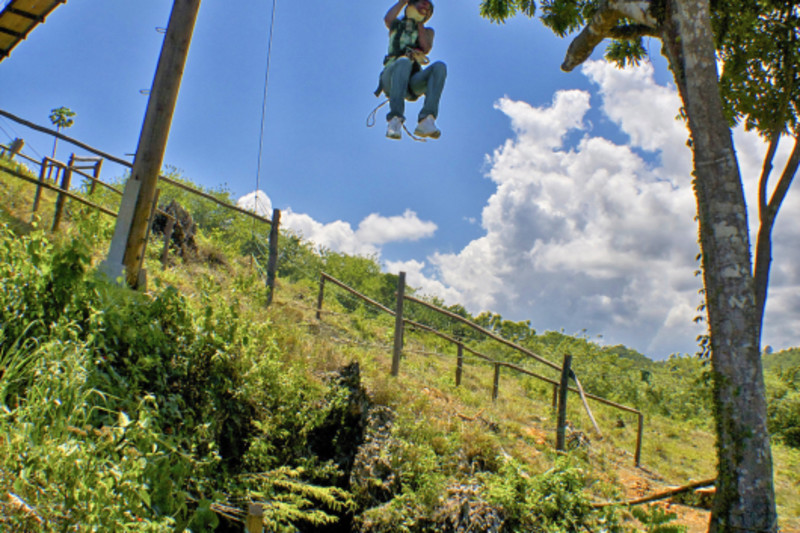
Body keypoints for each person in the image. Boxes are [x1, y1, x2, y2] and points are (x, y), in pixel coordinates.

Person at [376, 0, 447, 140]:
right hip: (392, 77)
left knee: (439, 67)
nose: (425, 6)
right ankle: (395, 119)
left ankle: (426, 119)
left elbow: (425, 47)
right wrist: (403, 1)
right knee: (403, 61)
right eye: (422, 3)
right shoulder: (397, 25)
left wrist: (419, 23)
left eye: (428, 8)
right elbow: (388, 19)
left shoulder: (427, 31)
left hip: (411, 82)